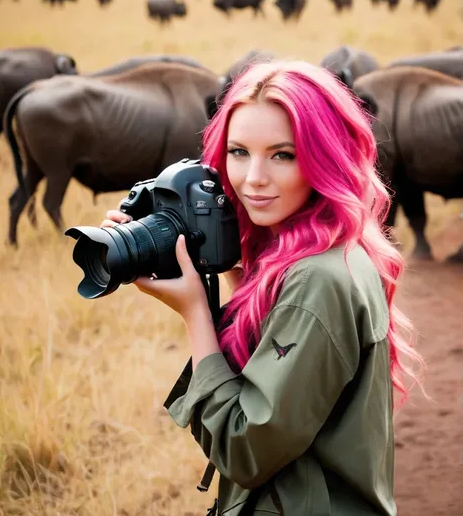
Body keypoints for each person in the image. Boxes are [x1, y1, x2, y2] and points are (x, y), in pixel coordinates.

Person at [101, 60, 424, 516]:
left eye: (282, 155)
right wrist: (231, 269)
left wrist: (196, 313)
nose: (253, 178)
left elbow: (243, 449)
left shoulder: (317, 279)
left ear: (324, 159)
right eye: (238, 152)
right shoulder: (334, 252)